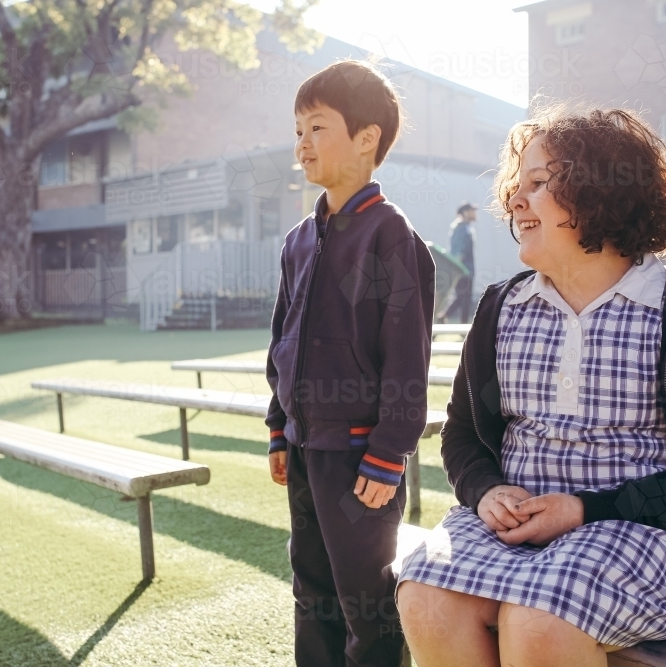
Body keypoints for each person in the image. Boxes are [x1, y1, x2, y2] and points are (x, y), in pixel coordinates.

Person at [396, 107, 666, 666]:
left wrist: (584, 509)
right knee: (423, 594)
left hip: (642, 537)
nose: (516, 201)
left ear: (604, 194)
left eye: (539, 183)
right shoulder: (501, 308)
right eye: (516, 188)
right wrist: (485, 490)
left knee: (539, 620)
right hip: (510, 535)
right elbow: (464, 435)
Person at [265, 60, 436, 667]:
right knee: (311, 590)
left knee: (367, 602)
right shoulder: (298, 241)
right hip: (306, 448)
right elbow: (283, 339)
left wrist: (390, 452)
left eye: (317, 127)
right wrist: (277, 428)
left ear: (367, 140)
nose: (302, 143)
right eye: (298, 130)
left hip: (363, 458)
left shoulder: (392, 237)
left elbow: (407, 360)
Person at [444, 202, 477, 323]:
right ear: (465, 213)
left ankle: (443, 317)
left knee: (461, 298)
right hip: (463, 271)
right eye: (472, 211)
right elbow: (459, 252)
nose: (474, 214)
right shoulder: (463, 229)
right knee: (465, 300)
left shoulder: (460, 227)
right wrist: (457, 270)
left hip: (462, 270)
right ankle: (461, 326)